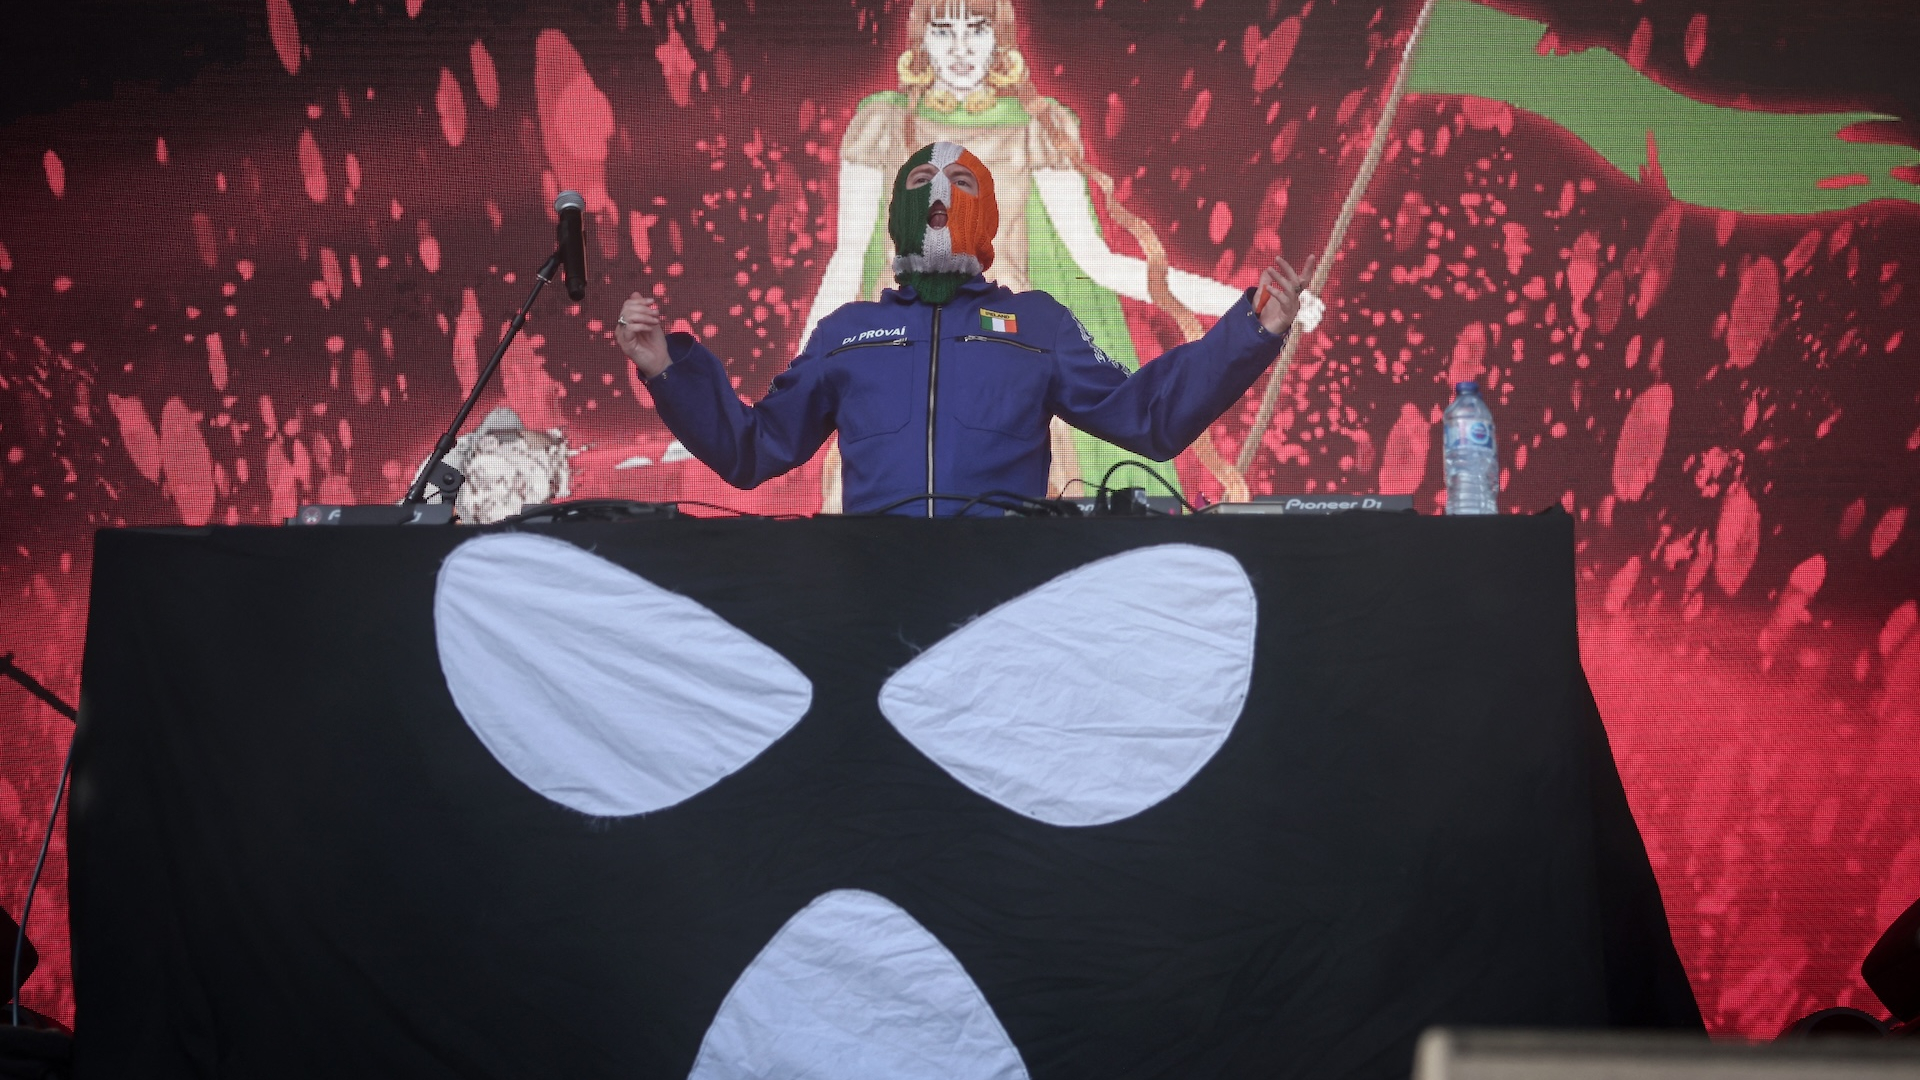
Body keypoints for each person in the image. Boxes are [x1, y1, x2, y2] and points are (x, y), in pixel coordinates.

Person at [614, 142, 1316, 516]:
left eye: (961, 195)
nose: (942, 207)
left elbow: (1148, 418)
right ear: (898, 223)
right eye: (925, 195)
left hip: (1003, 595)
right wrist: (664, 371)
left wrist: (1250, 334)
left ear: (984, 225)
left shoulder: (1035, 322)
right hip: (876, 591)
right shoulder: (845, 331)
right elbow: (753, 451)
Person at [803, 0, 1300, 506]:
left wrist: (1249, 322)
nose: (959, 49)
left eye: (975, 29)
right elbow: (846, 258)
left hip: (1005, 364)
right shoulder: (880, 124)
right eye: (943, 30)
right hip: (890, 373)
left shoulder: (1037, 136)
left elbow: (1099, 268)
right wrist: (807, 366)